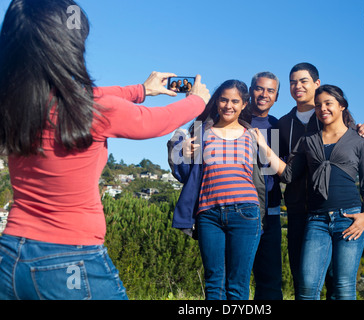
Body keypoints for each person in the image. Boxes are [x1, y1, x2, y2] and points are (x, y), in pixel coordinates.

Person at [0, 0, 210, 300]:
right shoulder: (98, 111)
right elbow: (157, 121)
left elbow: (81, 97)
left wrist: (140, 90)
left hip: (10, 257)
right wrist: (197, 101)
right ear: (67, 46)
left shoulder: (15, 107)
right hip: (69, 259)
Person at [253, 84, 364, 300]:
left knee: (343, 286)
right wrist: (264, 147)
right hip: (316, 220)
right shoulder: (309, 140)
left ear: (342, 106)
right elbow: (289, 174)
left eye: (328, 103)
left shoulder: (360, 138)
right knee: (307, 287)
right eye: (319, 105)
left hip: (350, 218)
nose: (323, 109)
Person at [168, 80, 266, 300]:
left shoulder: (252, 135)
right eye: (223, 99)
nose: (228, 105)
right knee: (214, 284)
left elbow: (266, 178)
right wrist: (182, 150)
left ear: (244, 104)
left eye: (234, 101)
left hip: (246, 213)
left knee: (237, 285)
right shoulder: (201, 132)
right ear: (217, 101)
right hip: (209, 215)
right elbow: (183, 172)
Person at [249, 72, 283, 300]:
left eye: (270, 90)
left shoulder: (279, 126)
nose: (264, 94)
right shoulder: (234, 119)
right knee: (231, 278)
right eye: (260, 88)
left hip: (270, 213)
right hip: (238, 209)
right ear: (251, 91)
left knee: (270, 283)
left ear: (277, 97)